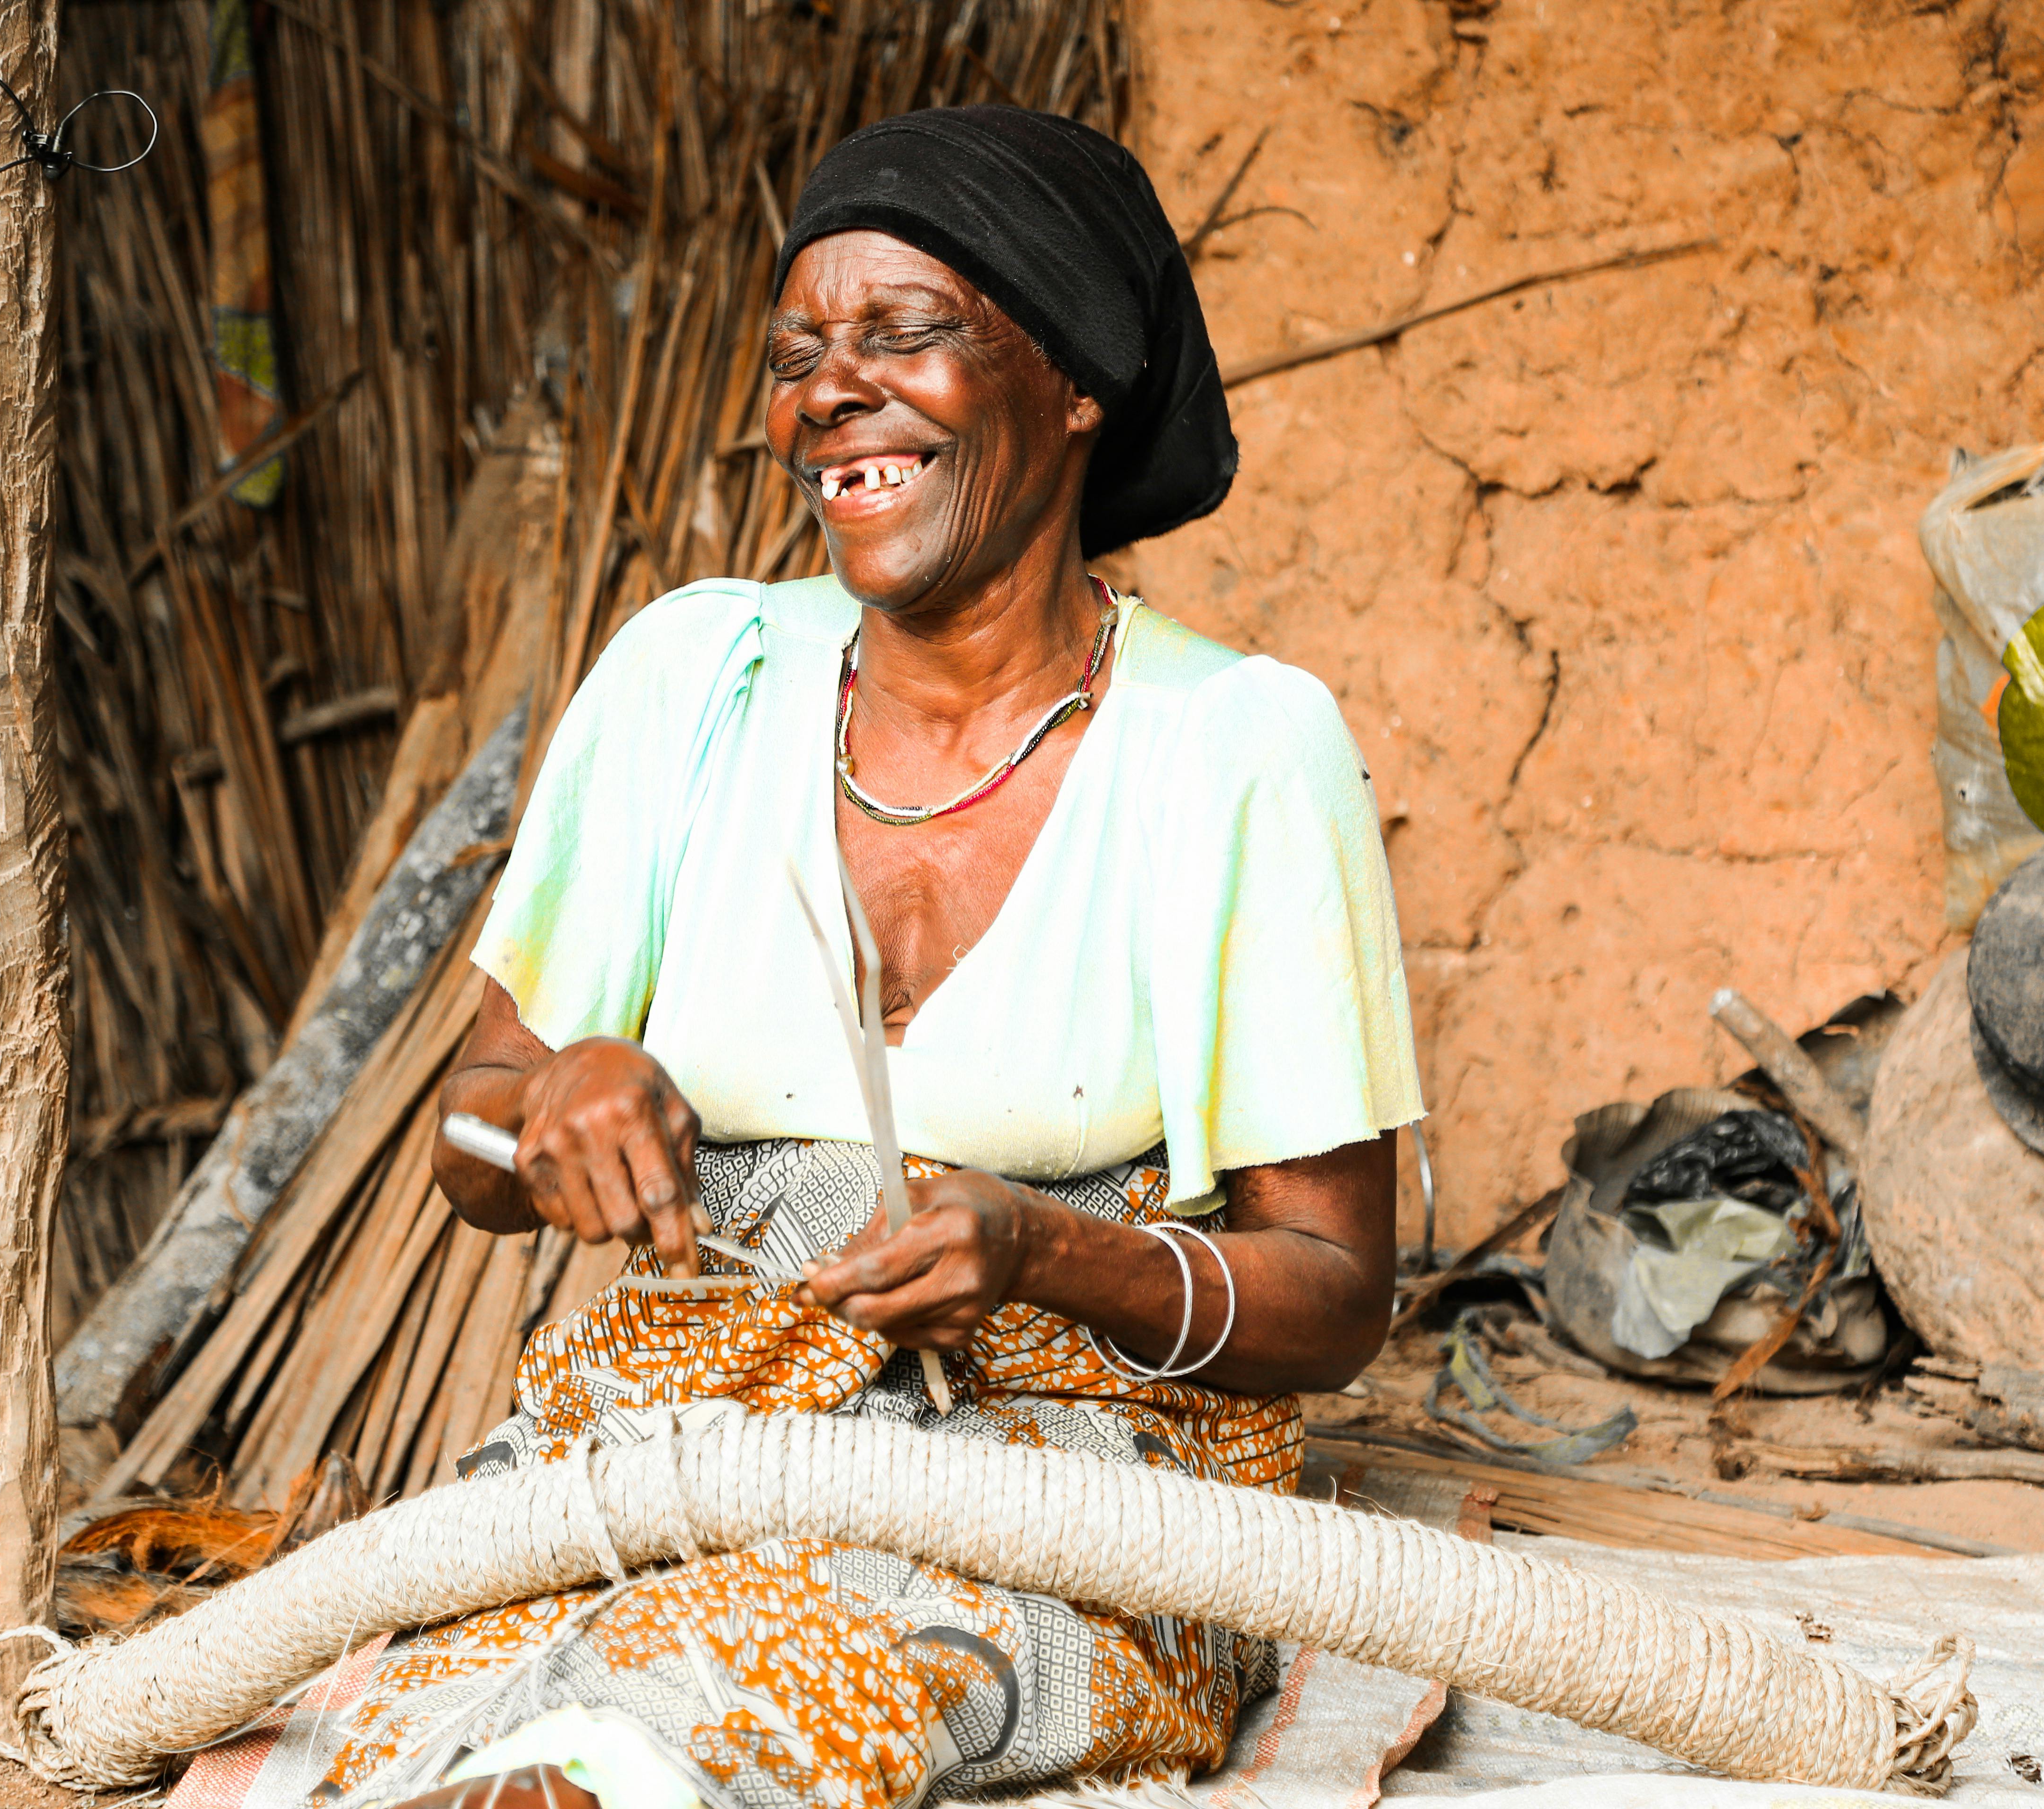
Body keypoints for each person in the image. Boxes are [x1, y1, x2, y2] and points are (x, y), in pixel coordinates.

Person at [319, 104, 1420, 1809]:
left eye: (906, 335)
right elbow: (467, 1139)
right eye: (797, 354)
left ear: (1076, 386)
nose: (825, 394)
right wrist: (548, 1107)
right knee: (436, 1701)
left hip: (1062, 1472)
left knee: (721, 1701)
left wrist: (1048, 1251)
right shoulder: (691, 681)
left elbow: (1337, 1298)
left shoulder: (1239, 748)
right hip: (679, 1436)